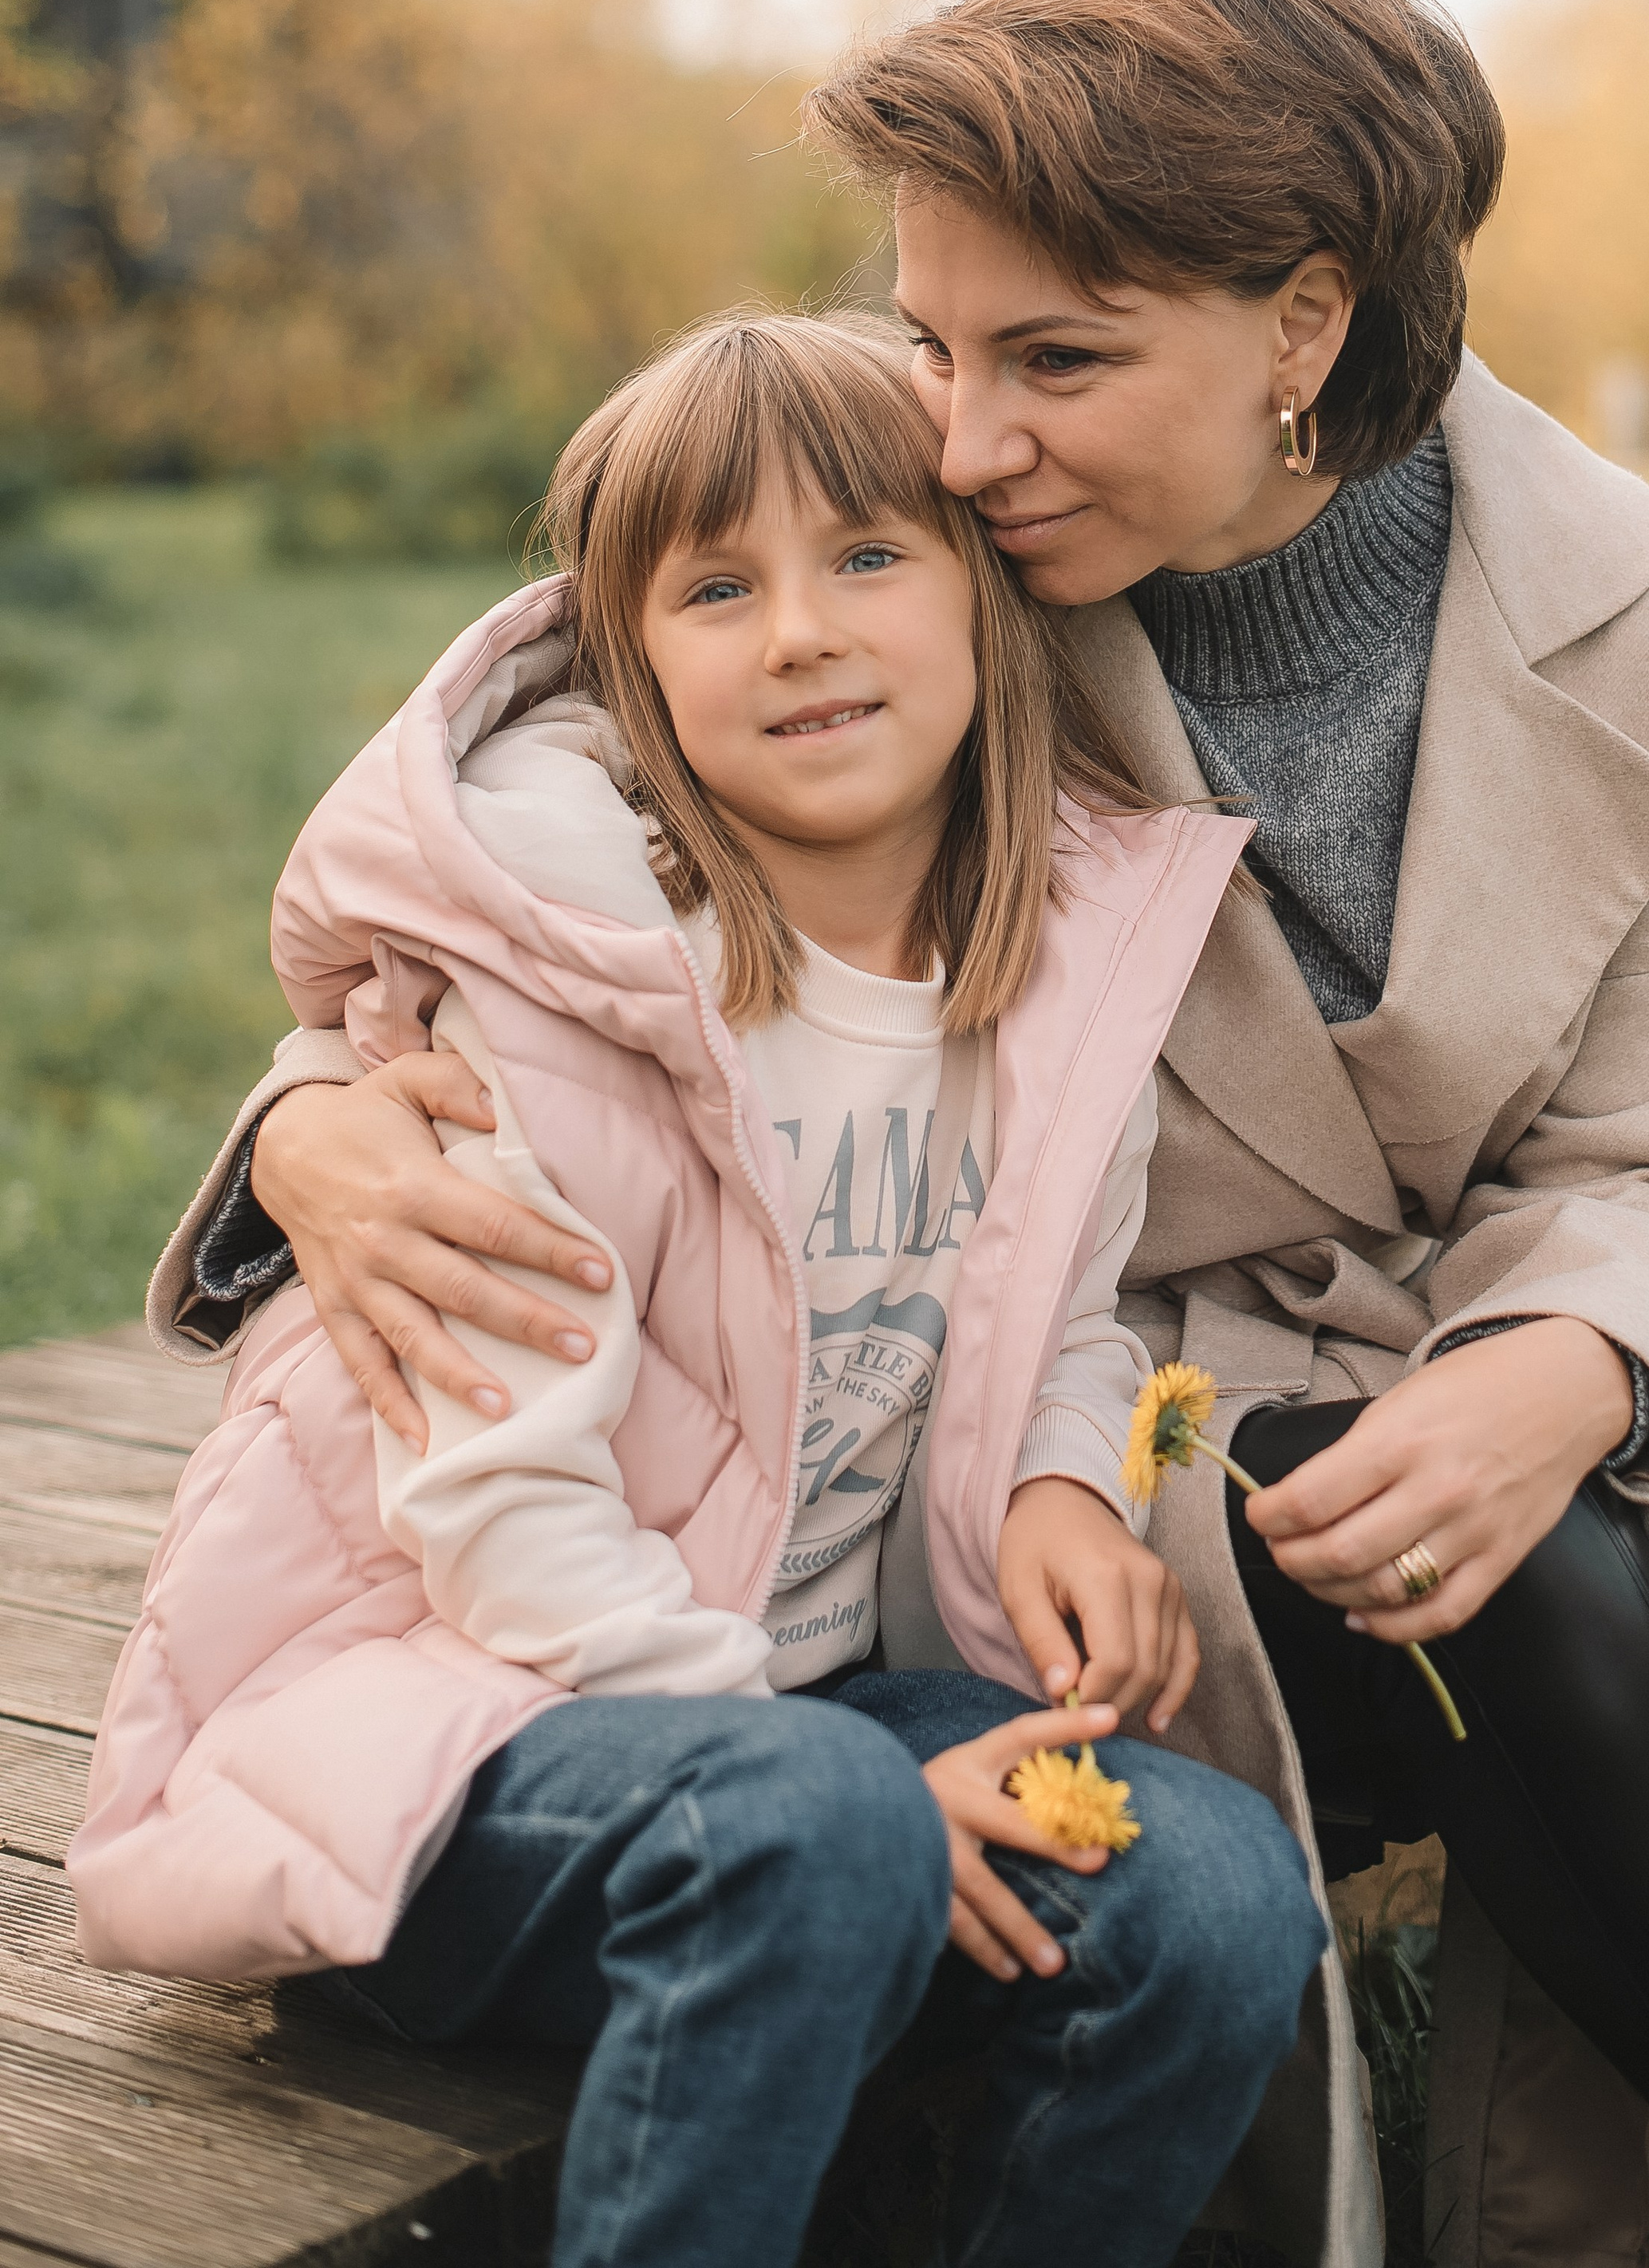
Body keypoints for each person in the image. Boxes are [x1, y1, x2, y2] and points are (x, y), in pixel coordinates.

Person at [148, 0, 1649, 2268]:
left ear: (1305, 326)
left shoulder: (1623, 603)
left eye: (1050, 356)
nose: (960, 429)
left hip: (1392, 1388)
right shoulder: (945, 545)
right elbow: (560, 811)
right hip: (1087, 1432)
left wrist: (1565, 1358)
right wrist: (305, 1119)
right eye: (933, 340)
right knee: (1553, 1577)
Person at [70, 312, 1327, 2268]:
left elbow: (1067, 1319)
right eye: (717, 589)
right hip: (463, 1742)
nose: (801, 633)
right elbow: (497, 1505)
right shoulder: (557, 999)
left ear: (986, 600)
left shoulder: (1056, 980)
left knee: (1219, 1894)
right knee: (815, 1830)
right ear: (632, 661)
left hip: (805, 1712)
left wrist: (1061, 1483)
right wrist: (851, 1789)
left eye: (867, 555)